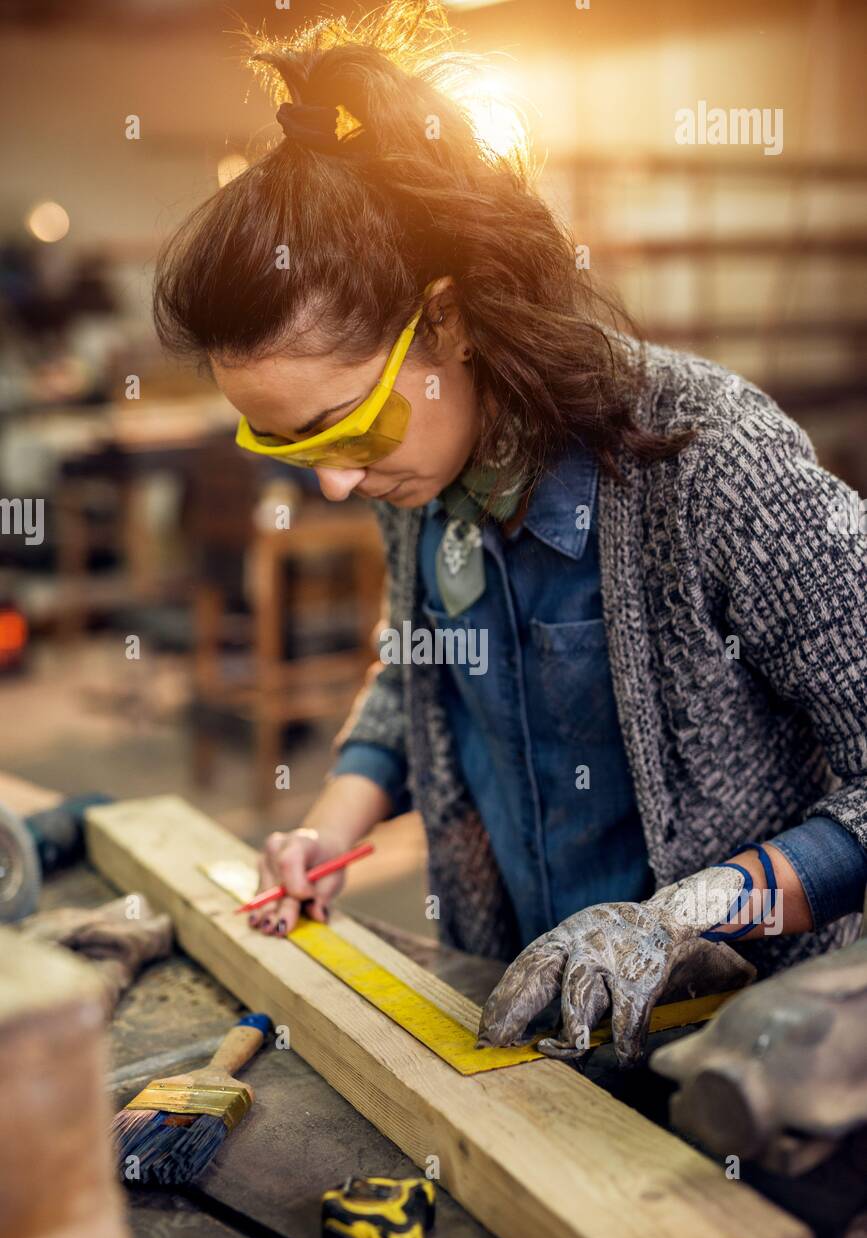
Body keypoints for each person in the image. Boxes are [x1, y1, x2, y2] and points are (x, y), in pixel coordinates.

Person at [152, 2, 867, 1065]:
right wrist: (332, 827)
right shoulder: (427, 475)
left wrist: (684, 916)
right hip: (526, 1021)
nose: (340, 481)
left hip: (744, 1058)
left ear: (446, 321)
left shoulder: (712, 465)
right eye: (291, 447)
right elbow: (419, 669)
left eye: (351, 425)